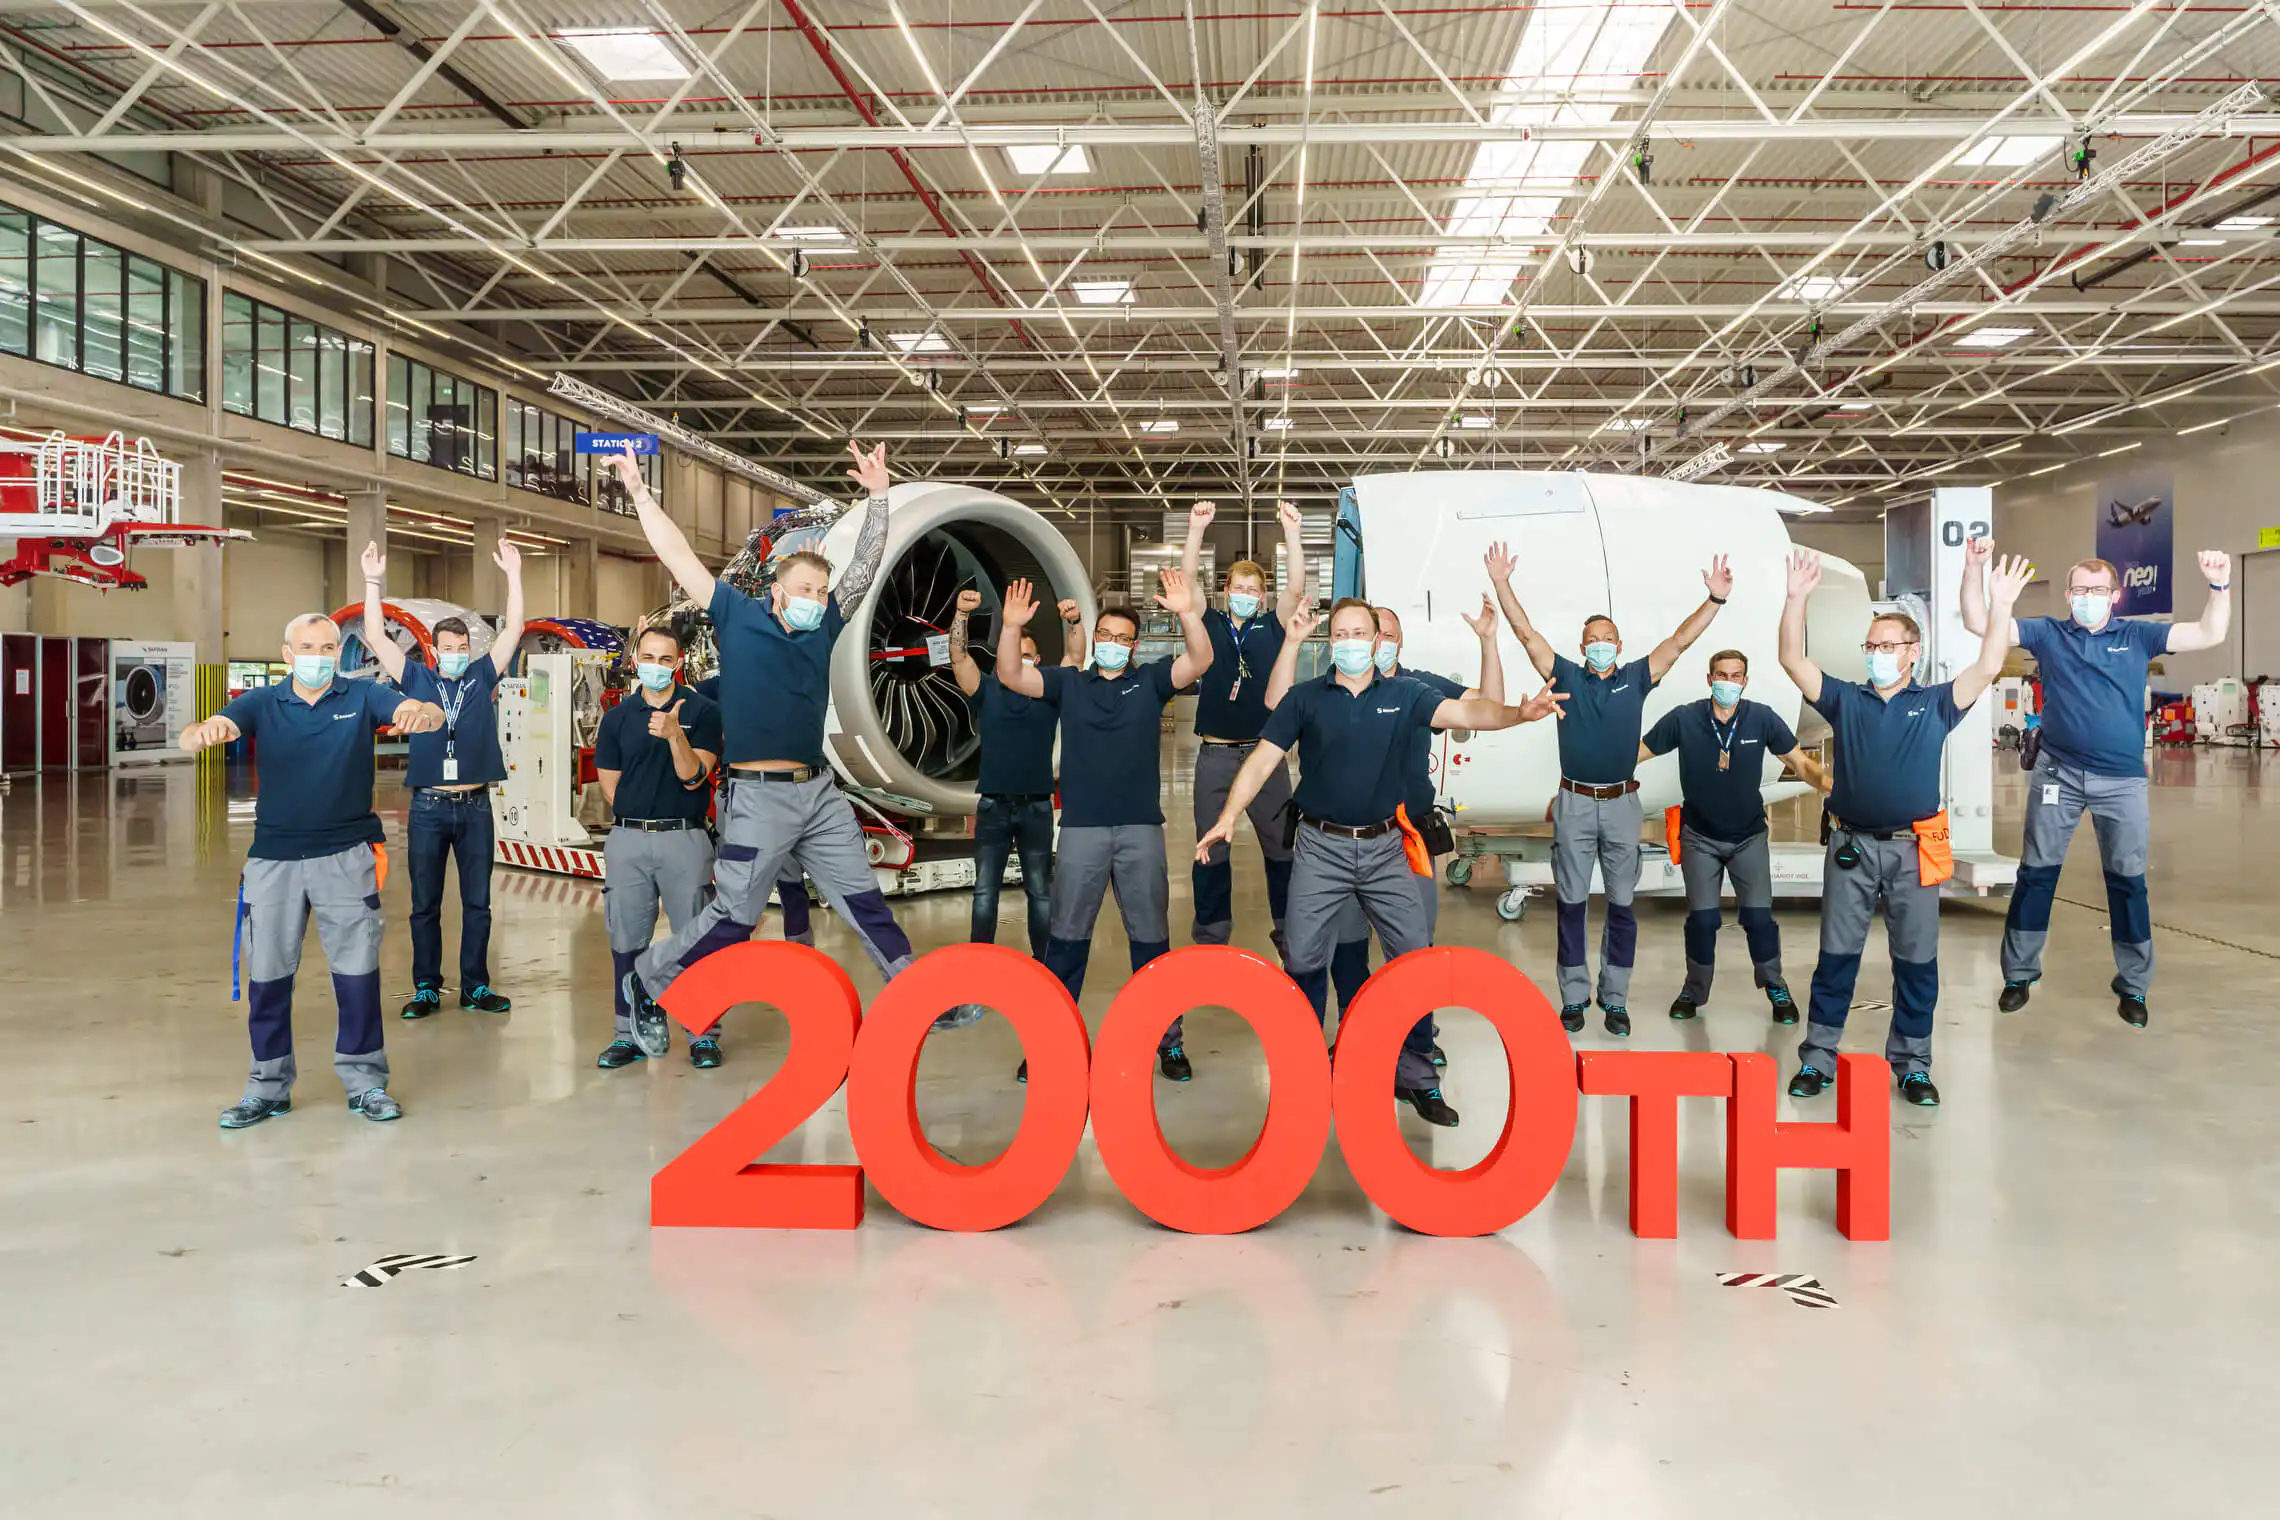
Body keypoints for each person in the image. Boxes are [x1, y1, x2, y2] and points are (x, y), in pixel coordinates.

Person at [1202, 598, 1564, 1124]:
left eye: (1360, 633)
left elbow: (1469, 713)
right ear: (1331, 641)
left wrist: (1517, 716)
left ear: (1377, 641)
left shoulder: (1408, 693)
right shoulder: (1307, 698)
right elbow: (1263, 759)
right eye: (1340, 633)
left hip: (1388, 846)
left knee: (1414, 960)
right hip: (1320, 846)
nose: (1350, 642)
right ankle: (1304, 1073)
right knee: (1304, 959)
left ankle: (1417, 1078)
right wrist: (1228, 815)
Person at [615, 440, 913, 1067]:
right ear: (778, 590)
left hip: (819, 792)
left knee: (864, 901)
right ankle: (649, 977)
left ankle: (917, 994)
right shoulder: (736, 615)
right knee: (735, 916)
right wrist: (640, 493)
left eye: (822, 589)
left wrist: (880, 498)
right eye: (806, 587)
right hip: (755, 797)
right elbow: (678, 554)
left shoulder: (826, 622)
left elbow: (866, 566)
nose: (817, 597)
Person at [1778, 547, 2031, 1107]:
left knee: (1916, 962)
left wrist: (2001, 606)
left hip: (1914, 851)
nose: (1876, 655)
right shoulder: (1846, 700)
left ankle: (1913, 1064)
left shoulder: (1938, 703)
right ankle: (1818, 1058)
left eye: (1886, 647)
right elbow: (1792, 660)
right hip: (1850, 847)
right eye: (1870, 647)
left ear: (1913, 653)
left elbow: (1989, 666)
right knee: (1835, 958)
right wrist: (1795, 599)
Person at [179, 614, 447, 1128]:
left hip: (346, 857)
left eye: (327, 648)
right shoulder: (262, 702)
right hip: (273, 861)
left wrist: (420, 712)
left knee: (357, 976)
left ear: (337, 654)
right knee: (267, 979)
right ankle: (267, 1088)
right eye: (307, 647)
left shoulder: (361, 696)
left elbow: (424, 712)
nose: (318, 657)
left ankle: (366, 1083)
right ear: (287, 654)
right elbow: (191, 737)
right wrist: (205, 731)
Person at [1966, 541, 2231, 1027]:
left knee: (2128, 882)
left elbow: (2210, 632)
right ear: (2068, 595)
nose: (2088, 597)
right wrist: (1973, 569)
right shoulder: (2048, 634)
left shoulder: (2139, 636)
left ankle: (2134, 984)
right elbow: (1978, 623)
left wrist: (2219, 586)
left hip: (2122, 781)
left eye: (2098, 590)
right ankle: (2019, 974)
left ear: (2115, 596)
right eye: (2080, 590)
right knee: (2036, 875)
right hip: (2058, 774)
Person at [1489, 543, 1733, 1034]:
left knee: (1622, 906)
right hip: (1575, 803)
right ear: (1582, 648)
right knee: (1571, 905)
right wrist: (1501, 583)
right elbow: (1526, 634)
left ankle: (1615, 999)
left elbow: (1678, 642)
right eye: (1592, 640)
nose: (1600, 645)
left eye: (1607, 639)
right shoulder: (1566, 675)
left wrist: (1715, 600)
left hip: (1622, 804)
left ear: (1619, 647)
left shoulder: (1638, 678)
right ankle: (1574, 998)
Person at [994, 568, 1211, 1081]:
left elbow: (1200, 659)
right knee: (1066, 941)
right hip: (1082, 830)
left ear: (1134, 646)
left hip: (1140, 829)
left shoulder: (1150, 681)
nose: (1112, 643)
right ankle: (1049, 1042)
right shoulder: (1068, 683)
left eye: (1122, 638)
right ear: (1095, 640)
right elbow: (1011, 676)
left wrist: (1187, 613)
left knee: (1152, 942)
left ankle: (1169, 1043)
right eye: (1105, 635)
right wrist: (1010, 627)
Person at [1311, 599, 1507, 1064]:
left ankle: (1418, 1038)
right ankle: (1357, 1034)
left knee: (1416, 946)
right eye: (1369, 633)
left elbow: (1488, 705)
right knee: (1347, 946)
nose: (1376, 642)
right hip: (1347, 838)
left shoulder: (1420, 689)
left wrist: (1488, 641)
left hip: (1408, 837)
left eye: (1388, 635)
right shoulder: (1328, 691)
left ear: (1399, 644)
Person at [359, 538, 525, 1019]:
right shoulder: (417, 679)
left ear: (470, 650)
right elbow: (376, 636)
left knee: (478, 903)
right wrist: (371, 582)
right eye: (447, 648)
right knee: (424, 904)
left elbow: (515, 628)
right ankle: (427, 987)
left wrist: (514, 576)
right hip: (428, 809)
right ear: (434, 650)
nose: (455, 654)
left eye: (461, 648)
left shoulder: (482, 675)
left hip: (475, 807)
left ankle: (475, 986)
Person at [1637, 649, 1828, 1023]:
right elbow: (1637, 752)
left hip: (1748, 838)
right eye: (1721, 675)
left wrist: (1831, 785)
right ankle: (1694, 991)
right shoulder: (1685, 718)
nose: (1728, 682)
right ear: (1710, 680)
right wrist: (1595, 773)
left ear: (1745, 680)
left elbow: (1800, 763)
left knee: (1758, 919)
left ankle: (1775, 986)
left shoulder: (1762, 718)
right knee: (1702, 920)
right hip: (1699, 837)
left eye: (1735, 675)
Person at [933, 586, 1082, 1031]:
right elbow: (958, 657)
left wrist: (1074, 623)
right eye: (1015, 651)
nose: (1022, 659)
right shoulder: (987, 689)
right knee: (984, 894)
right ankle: (978, 979)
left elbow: (1076, 659)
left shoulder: (1048, 691)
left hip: (1036, 806)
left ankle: (1045, 972)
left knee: (1040, 894)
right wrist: (960, 615)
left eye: (1029, 654)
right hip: (994, 807)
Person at [1180, 499, 1308, 956]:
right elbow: (1187, 584)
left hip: (1264, 754)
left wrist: (1292, 532)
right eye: (1239, 587)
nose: (1246, 594)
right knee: (1211, 846)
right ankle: (1211, 938)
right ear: (1226, 589)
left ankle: (1290, 933)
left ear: (1263, 595)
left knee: (1281, 847)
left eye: (1254, 589)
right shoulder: (1211, 622)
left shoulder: (1274, 625)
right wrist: (1196, 530)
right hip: (1215, 754)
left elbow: (1296, 586)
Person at [592, 626, 723, 1068]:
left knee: (695, 939)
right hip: (628, 840)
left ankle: (703, 1033)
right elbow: (611, 787)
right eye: (648, 657)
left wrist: (674, 735)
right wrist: (638, 817)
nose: (655, 666)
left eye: (665, 659)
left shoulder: (703, 712)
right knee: (626, 941)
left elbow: (694, 777)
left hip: (684, 838)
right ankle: (627, 1034)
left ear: (678, 662)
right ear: (635, 661)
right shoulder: (617, 718)